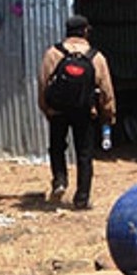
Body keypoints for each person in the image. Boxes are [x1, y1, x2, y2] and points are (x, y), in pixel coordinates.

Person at [37, 14, 116, 209]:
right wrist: (108, 115)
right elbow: (106, 90)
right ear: (86, 31)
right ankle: (81, 199)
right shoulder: (96, 57)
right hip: (85, 111)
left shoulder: (53, 54)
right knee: (84, 153)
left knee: (57, 148)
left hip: (58, 111)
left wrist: (47, 109)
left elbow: (43, 85)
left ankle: (60, 181)